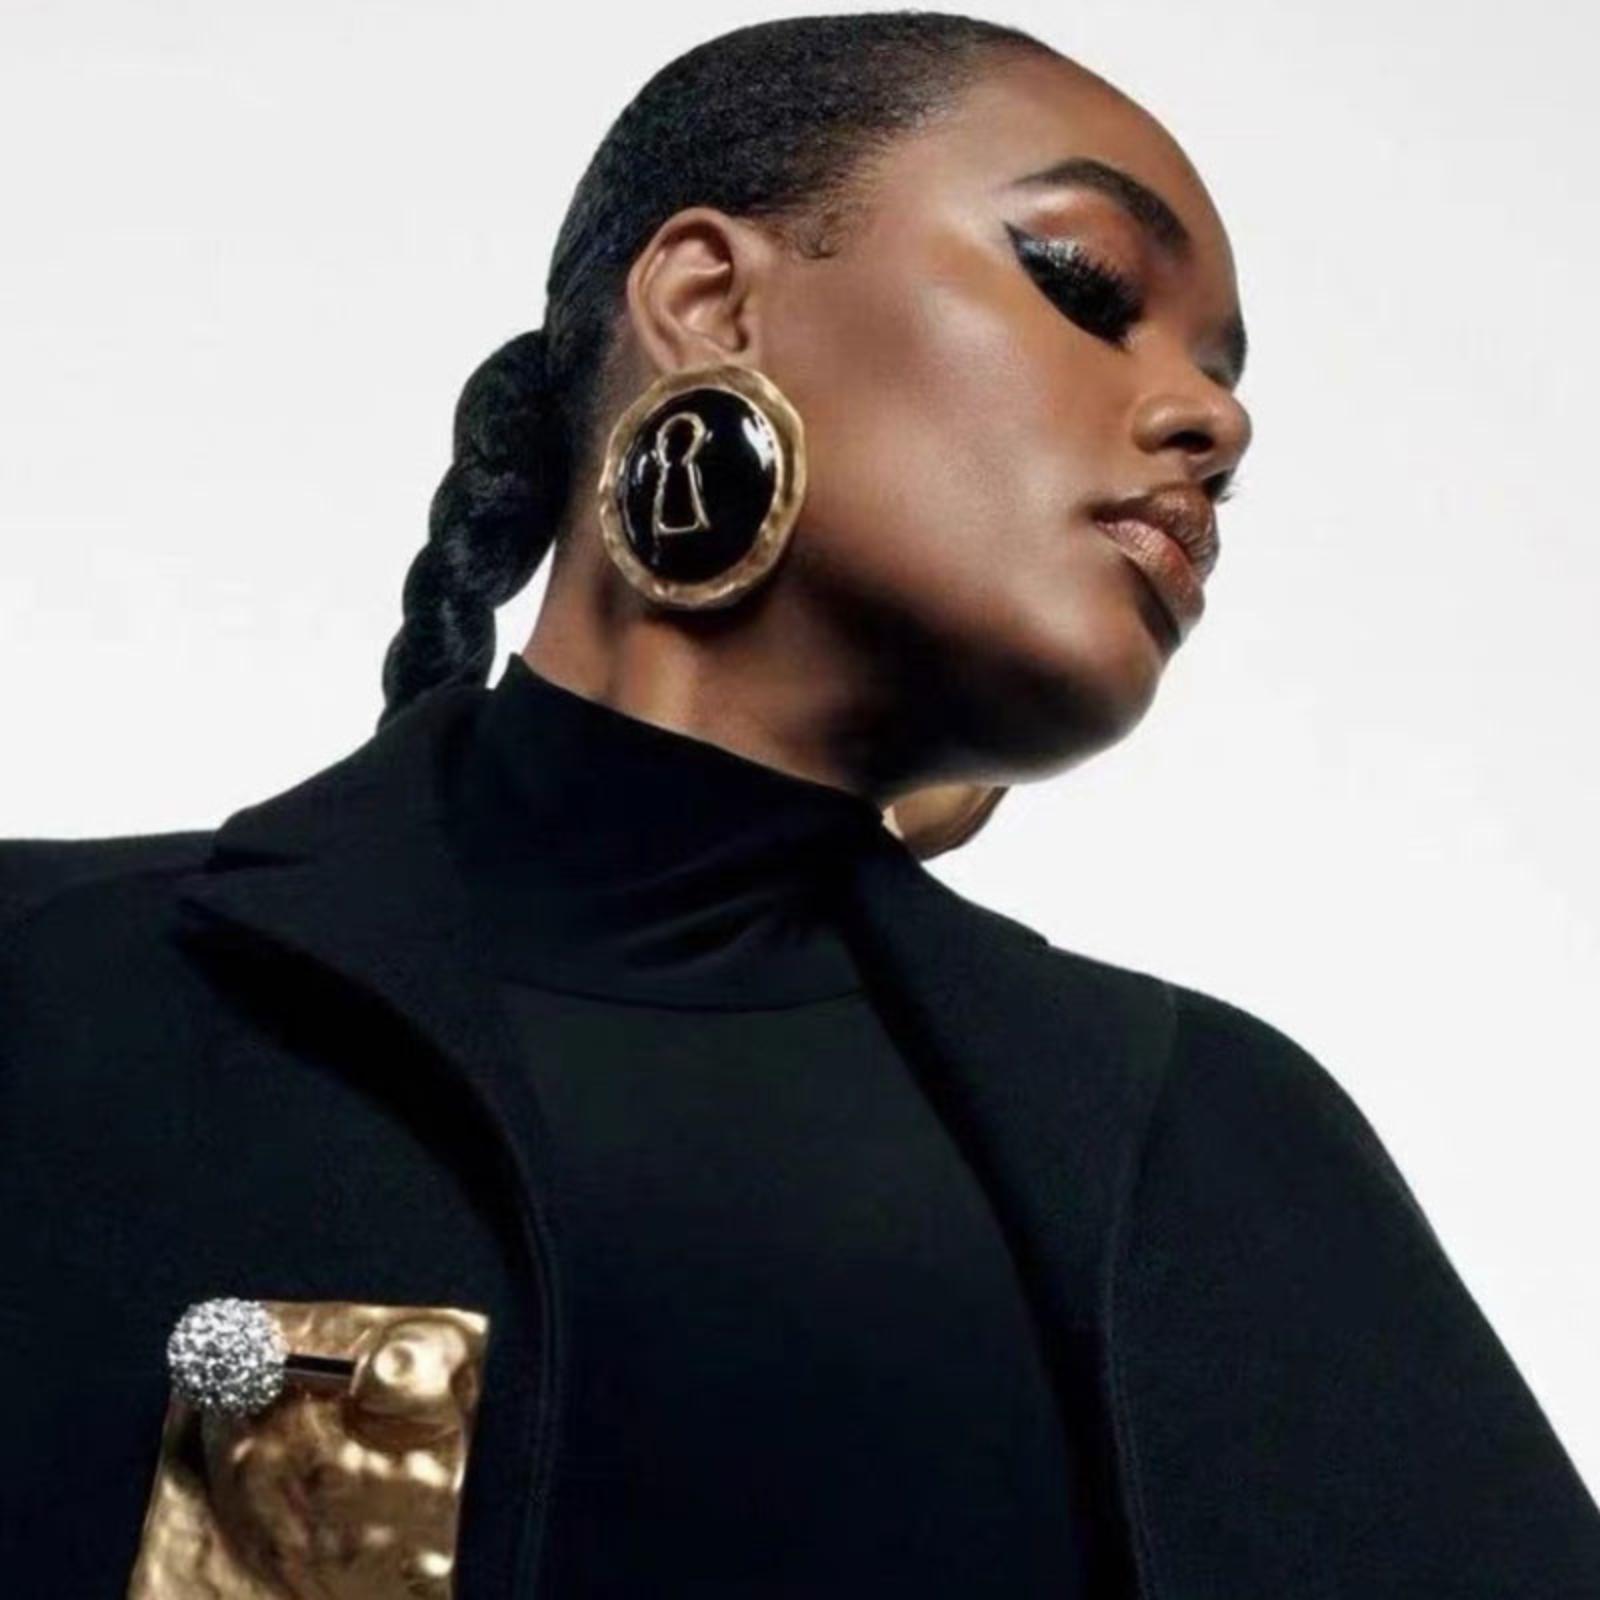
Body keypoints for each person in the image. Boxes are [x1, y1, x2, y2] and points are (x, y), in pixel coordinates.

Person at [3, 12, 1597, 1598]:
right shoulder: (47, 988)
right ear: (711, 303)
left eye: (1223, 381)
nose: (1216, 425)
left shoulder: (1206, 1152)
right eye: (1087, 285)